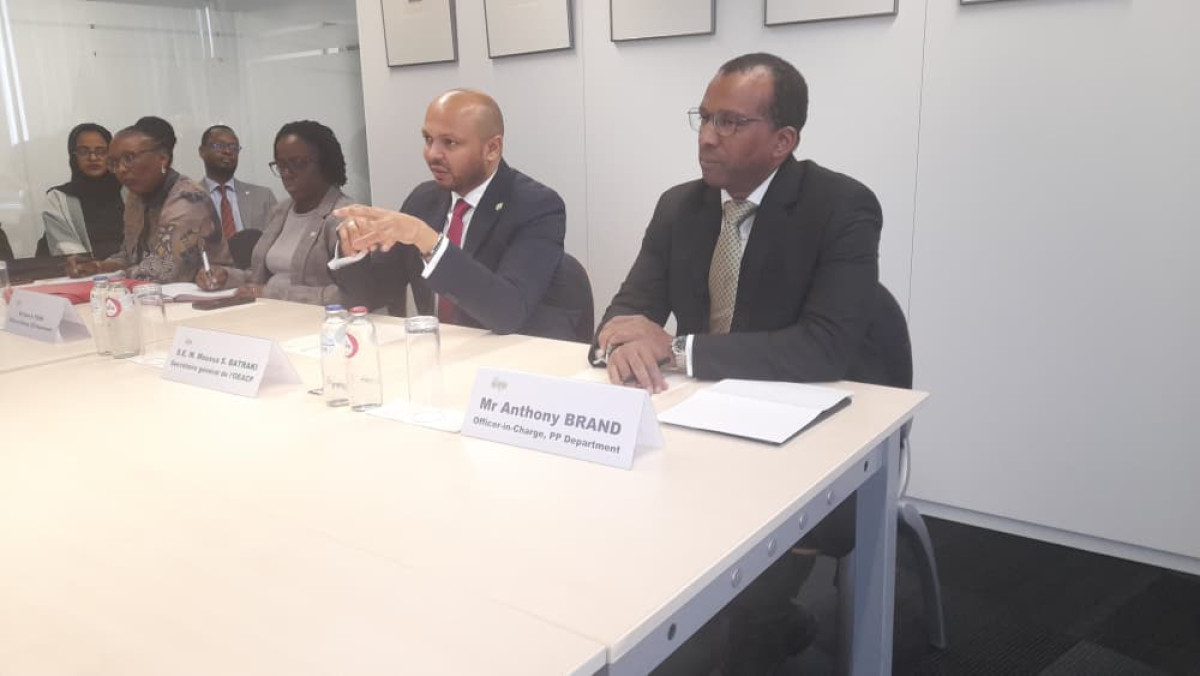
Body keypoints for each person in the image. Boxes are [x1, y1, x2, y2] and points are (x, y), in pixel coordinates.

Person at [595, 53, 886, 673]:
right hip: (699, 425)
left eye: (730, 122)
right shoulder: (680, 207)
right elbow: (627, 310)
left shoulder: (842, 207)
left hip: (809, 433)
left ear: (783, 141)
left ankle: (769, 625)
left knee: (733, 622)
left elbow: (825, 346)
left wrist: (677, 349)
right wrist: (623, 342)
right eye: (704, 117)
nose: (707, 136)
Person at [333, 89, 571, 337]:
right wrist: (353, 251)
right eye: (428, 139)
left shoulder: (536, 206)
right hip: (436, 349)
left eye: (450, 143)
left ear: (492, 148)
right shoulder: (423, 200)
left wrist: (428, 241)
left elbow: (507, 312)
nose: (432, 154)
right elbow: (372, 296)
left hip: (507, 352)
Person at [195, 120, 350, 305]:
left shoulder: (344, 217)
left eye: (298, 163)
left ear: (325, 163)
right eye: (281, 165)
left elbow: (351, 294)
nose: (287, 173)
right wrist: (227, 277)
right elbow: (263, 277)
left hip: (314, 319)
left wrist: (270, 294)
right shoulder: (280, 212)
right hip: (266, 312)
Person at [66, 116, 224, 283]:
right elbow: (130, 255)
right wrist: (98, 267)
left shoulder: (189, 198)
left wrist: (109, 276)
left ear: (162, 159)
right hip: (152, 292)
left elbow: (165, 270)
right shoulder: (135, 197)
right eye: (113, 163)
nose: (121, 169)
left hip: (208, 293)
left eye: (129, 158)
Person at [41, 123, 125, 258]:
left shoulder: (130, 191)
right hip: (83, 269)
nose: (93, 158)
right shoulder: (58, 198)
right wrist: (96, 267)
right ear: (73, 156)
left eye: (101, 151)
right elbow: (66, 247)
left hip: (134, 267)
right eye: (84, 151)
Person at [198, 124, 277, 238]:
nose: (228, 151)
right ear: (202, 151)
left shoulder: (263, 197)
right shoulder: (187, 199)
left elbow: (278, 240)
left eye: (234, 147)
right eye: (219, 145)